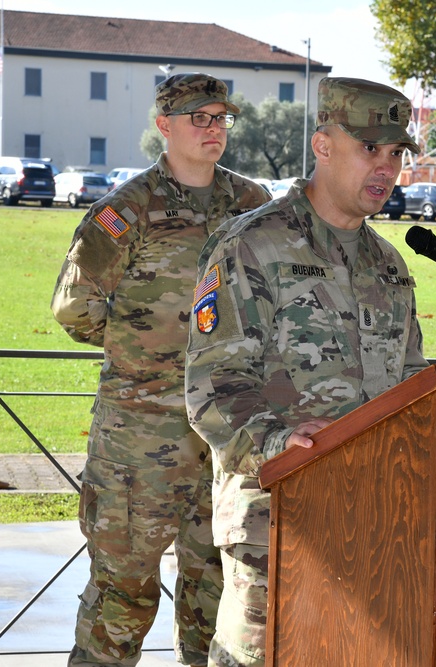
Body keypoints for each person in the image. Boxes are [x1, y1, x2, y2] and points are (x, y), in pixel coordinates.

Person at [184, 76, 428, 666]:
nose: (386, 168)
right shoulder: (252, 247)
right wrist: (280, 443)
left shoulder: (388, 264)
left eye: (396, 154)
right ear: (323, 145)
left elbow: (413, 381)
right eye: (371, 149)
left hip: (374, 522)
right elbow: (212, 389)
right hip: (276, 523)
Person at [51, 72, 272, 667]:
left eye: (221, 118)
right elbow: (74, 308)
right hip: (139, 435)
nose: (213, 129)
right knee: (123, 590)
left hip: (226, 434)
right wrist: (150, 355)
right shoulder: (127, 211)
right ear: (164, 126)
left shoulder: (252, 207)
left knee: (218, 590)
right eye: (199, 118)